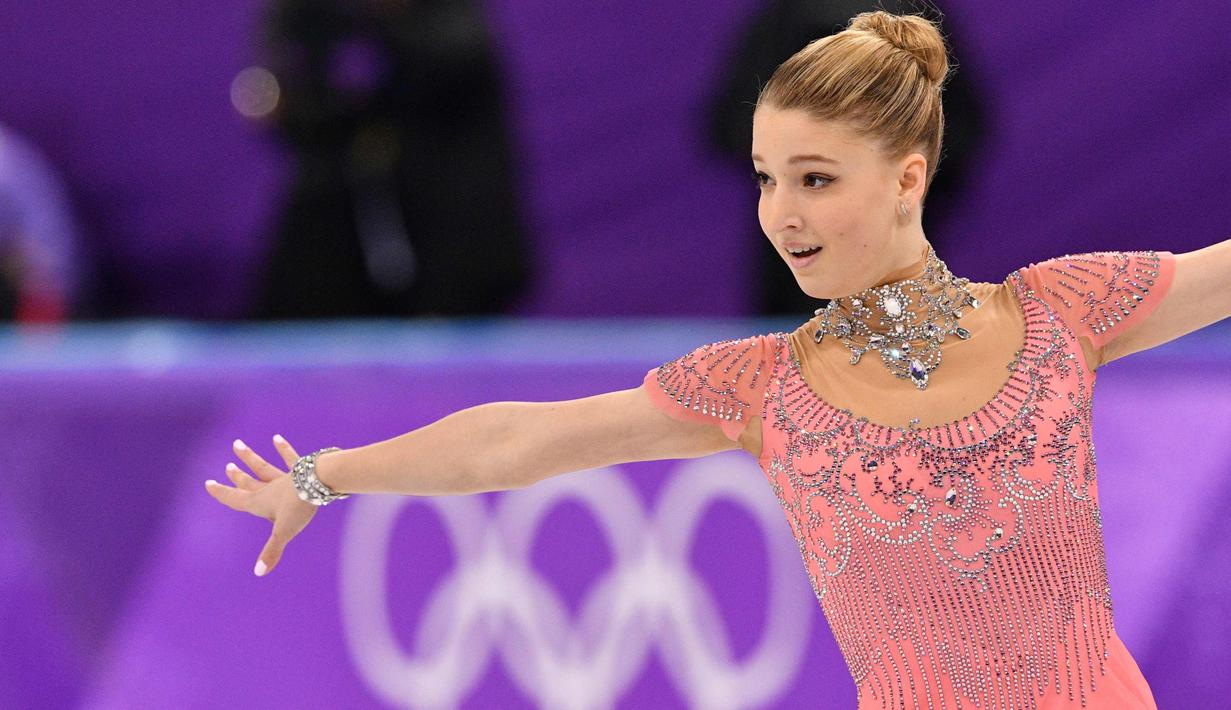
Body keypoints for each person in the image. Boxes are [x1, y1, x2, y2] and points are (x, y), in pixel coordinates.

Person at [204, 9, 1231, 709]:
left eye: (815, 179)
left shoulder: (1059, 313)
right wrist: (325, 474)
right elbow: (515, 441)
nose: (781, 214)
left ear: (908, 179)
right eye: (765, 179)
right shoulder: (763, 387)